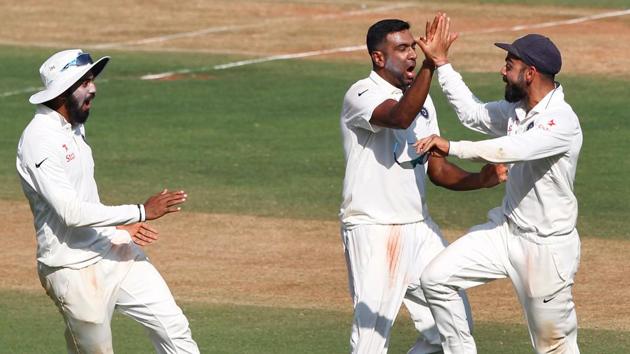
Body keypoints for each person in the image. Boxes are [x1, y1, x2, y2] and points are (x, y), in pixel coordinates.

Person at [415, 13, 583, 354]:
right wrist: (442, 64)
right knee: (435, 279)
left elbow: (511, 150)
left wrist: (453, 147)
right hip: (506, 232)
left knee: (554, 347)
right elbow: (472, 114)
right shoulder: (516, 110)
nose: (502, 72)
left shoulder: (560, 122)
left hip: (546, 250)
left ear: (530, 73)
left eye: (509, 65)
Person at [339, 18, 507, 354]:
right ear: (378, 58)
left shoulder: (422, 101)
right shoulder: (361, 93)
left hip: (419, 228)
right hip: (374, 228)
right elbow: (399, 116)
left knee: (449, 327)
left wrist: (481, 180)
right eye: (402, 49)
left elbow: (437, 168)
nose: (412, 55)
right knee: (370, 340)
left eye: (413, 48)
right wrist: (433, 62)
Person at [16, 49, 200, 354]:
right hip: (71, 270)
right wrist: (140, 211)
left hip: (111, 250)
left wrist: (117, 232)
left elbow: (84, 197)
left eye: (92, 80)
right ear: (62, 89)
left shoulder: (73, 127)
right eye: (85, 82)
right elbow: (70, 212)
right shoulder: (40, 139)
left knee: (174, 327)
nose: (94, 88)